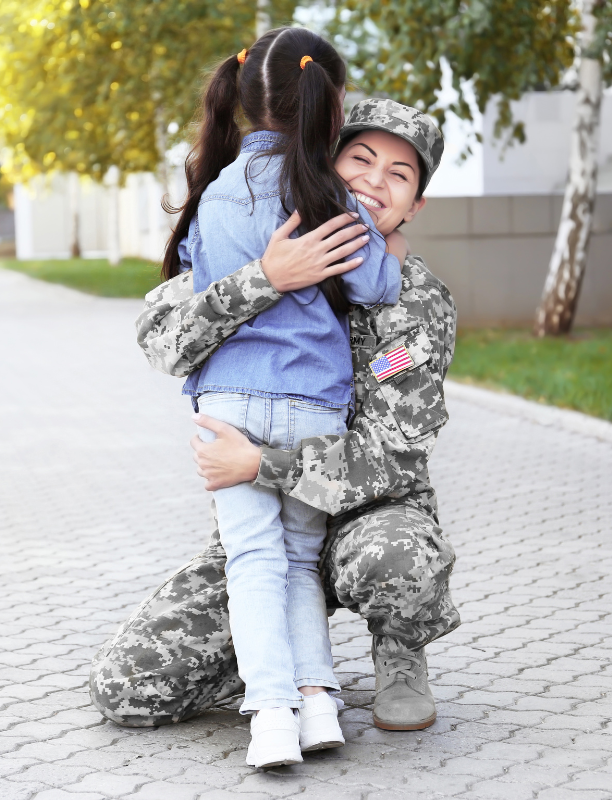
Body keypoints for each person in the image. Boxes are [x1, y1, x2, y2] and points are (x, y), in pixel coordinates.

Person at [89, 99, 460, 740]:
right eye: (360, 159)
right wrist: (267, 278)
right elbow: (163, 343)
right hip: (265, 525)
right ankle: (269, 651)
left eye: (400, 175)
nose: (375, 181)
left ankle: (399, 646)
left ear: (415, 205)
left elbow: (393, 455)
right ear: (321, 163)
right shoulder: (252, 237)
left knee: (395, 559)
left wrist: (262, 463)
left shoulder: (415, 297)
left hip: (366, 514)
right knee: (132, 685)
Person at [157, 28, 402, 769]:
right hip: (313, 407)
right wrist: (387, 253)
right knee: (300, 558)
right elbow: (376, 289)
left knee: (251, 560)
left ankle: (270, 716)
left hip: (226, 405)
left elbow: (195, 286)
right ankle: (320, 705)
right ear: (330, 106)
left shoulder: (214, 193)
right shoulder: (328, 195)